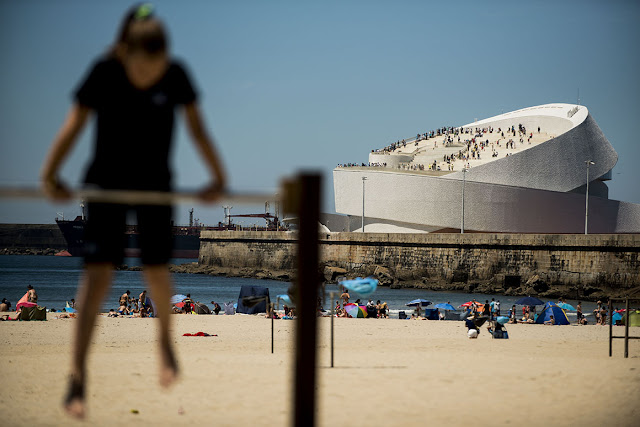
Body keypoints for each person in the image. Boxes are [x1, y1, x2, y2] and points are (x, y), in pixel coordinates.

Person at [40, 4, 226, 419]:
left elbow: (197, 129)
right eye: (143, 67)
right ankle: (77, 375)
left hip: (155, 185)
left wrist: (217, 176)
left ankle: (164, 343)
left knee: (156, 270)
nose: (149, 74)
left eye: (156, 66)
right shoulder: (104, 71)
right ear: (127, 53)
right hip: (105, 182)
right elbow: (73, 124)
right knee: (98, 276)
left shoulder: (175, 73)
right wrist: (50, 173)